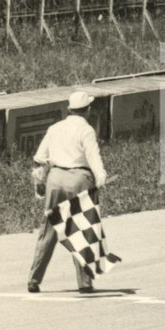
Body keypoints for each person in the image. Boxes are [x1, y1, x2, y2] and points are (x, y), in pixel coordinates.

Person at [28, 91, 107, 294]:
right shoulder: (86, 130)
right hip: (79, 180)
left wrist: (40, 182)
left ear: (69, 109)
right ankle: (84, 283)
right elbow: (93, 156)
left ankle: (34, 279)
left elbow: (39, 157)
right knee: (81, 228)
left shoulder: (55, 128)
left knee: (49, 230)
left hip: (55, 179)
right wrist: (100, 177)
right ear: (87, 110)